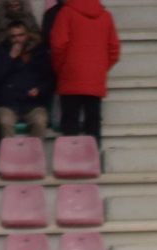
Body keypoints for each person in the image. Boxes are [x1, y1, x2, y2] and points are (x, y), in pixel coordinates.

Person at [51, 0, 121, 144]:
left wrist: (61, 68)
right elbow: (114, 49)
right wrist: (100, 68)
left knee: (70, 123)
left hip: (71, 75)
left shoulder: (66, 13)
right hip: (95, 77)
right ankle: (92, 161)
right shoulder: (106, 16)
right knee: (93, 124)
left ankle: (71, 162)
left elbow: (58, 45)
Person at [0, 21, 54, 140]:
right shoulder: (0, 52)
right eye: (13, 36)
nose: (17, 39)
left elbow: (49, 78)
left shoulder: (39, 52)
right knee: (5, 122)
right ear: (8, 38)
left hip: (33, 104)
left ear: (27, 35)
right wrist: (10, 58)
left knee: (40, 121)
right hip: (7, 104)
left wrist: (39, 89)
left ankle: (33, 156)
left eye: (21, 35)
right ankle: (8, 157)